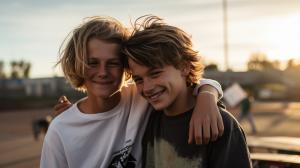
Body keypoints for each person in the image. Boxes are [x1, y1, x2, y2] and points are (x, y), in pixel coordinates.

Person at [40, 16, 224, 168]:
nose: (103, 73)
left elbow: (182, 78)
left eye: (113, 63)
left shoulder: (141, 95)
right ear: (78, 65)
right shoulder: (60, 130)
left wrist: (207, 95)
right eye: (92, 63)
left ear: (125, 68)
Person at [122, 15, 252, 167]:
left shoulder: (220, 125)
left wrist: (208, 94)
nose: (147, 87)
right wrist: (208, 92)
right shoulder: (147, 119)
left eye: (155, 73)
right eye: (139, 79)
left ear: (184, 67)